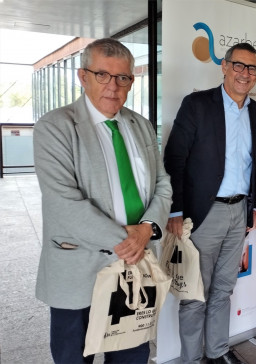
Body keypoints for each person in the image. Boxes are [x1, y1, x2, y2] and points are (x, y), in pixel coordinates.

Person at [33, 38, 172, 363]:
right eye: (102, 75)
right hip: (79, 268)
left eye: (122, 77)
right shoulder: (56, 127)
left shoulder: (140, 125)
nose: (113, 86)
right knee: (72, 355)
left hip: (134, 268)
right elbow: (64, 204)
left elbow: (162, 184)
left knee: (131, 354)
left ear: (131, 81)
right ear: (83, 77)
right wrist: (130, 240)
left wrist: (148, 229)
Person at [163, 43, 256, 364]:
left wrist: (253, 207)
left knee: (223, 289)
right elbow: (174, 159)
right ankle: (192, 359)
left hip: (239, 213)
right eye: (239, 65)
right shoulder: (197, 105)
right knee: (195, 294)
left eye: (252, 68)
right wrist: (176, 210)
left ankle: (217, 352)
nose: (244, 74)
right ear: (224, 66)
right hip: (204, 214)